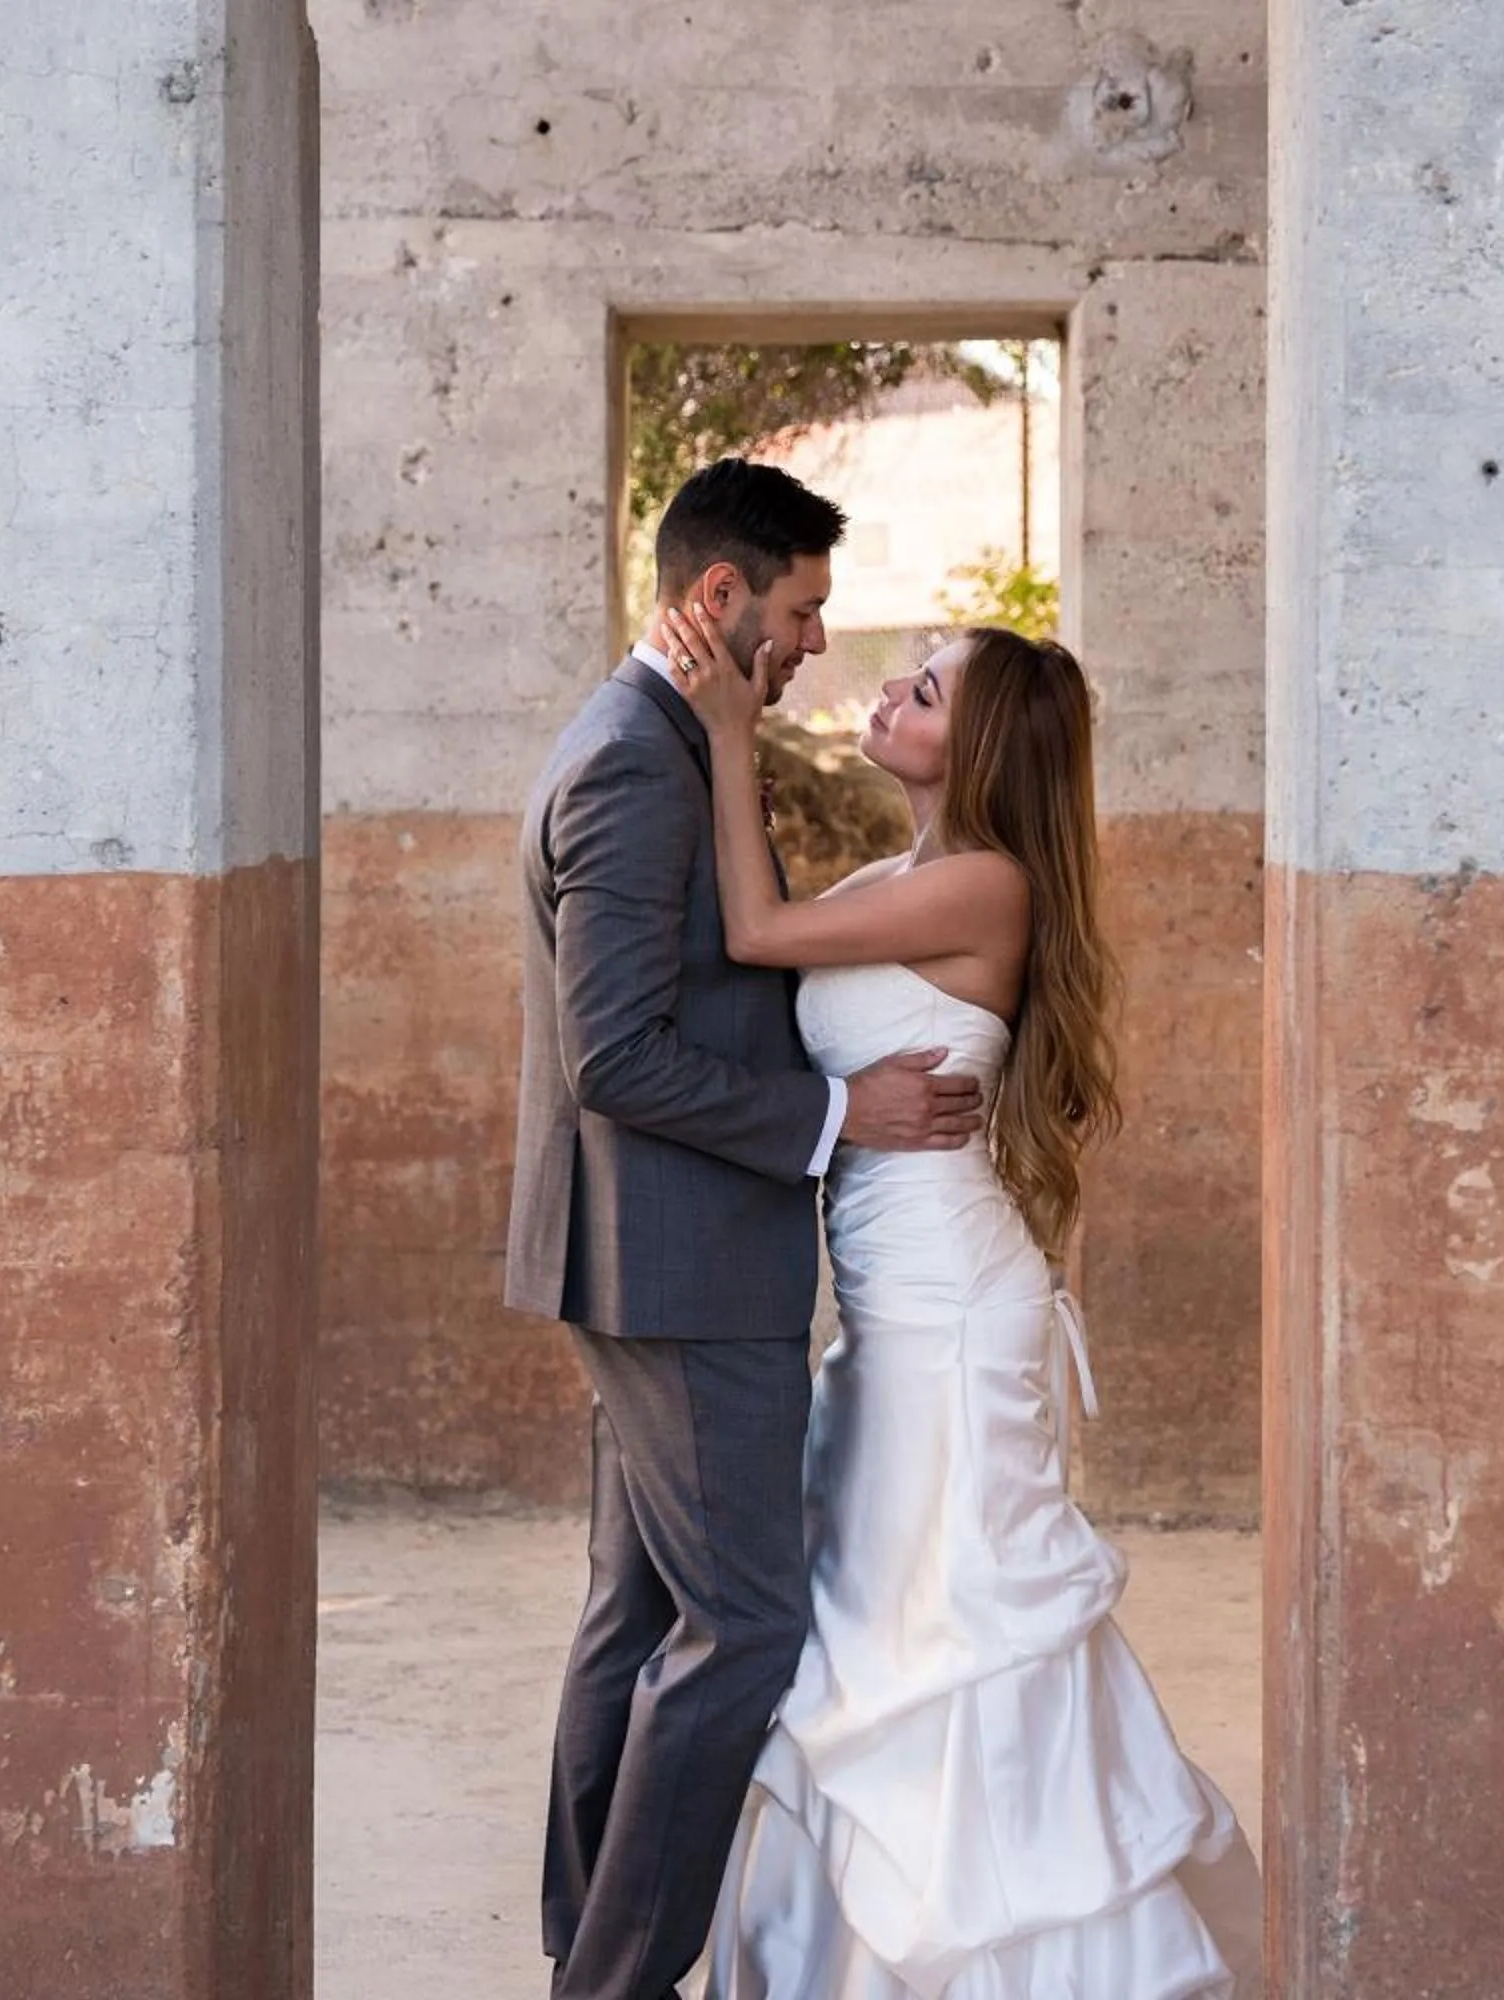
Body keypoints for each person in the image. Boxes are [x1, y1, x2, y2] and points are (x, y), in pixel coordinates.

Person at [653, 589, 1255, 1998]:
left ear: (978, 757)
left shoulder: (986, 883)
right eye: (908, 680)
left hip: (951, 1309)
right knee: (873, 1616)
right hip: (881, 1316)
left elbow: (752, 930)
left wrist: (730, 729)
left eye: (924, 694)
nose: (888, 695)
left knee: (952, 1621)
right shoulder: (891, 877)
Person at [504, 458, 988, 2000]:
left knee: (636, 1615)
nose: (815, 644)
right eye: (801, 612)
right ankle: (618, 1979)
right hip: (684, 1261)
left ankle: (581, 1949)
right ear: (720, 599)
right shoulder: (640, 764)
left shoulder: (655, 736)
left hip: (655, 1250)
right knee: (748, 1629)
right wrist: (841, 1125)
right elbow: (616, 1053)